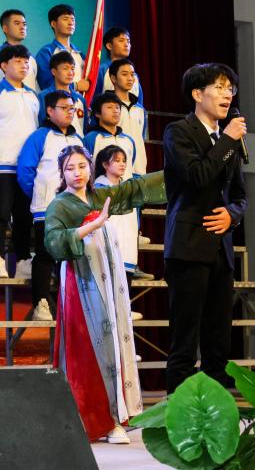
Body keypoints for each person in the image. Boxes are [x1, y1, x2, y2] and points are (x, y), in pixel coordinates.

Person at [44, 145, 166, 444]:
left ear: (90, 168)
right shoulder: (60, 205)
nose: (77, 173)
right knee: (87, 347)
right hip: (81, 284)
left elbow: (134, 190)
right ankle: (92, 418)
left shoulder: (100, 197)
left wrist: (178, 172)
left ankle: (114, 417)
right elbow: (53, 242)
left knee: (113, 344)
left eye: (82, 166)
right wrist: (91, 227)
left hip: (109, 280)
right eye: (70, 168)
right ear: (62, 173)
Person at [162, 63, 247, 394]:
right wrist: (227, 140)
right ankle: (178, 411)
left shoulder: (229, 139)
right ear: (198, 94)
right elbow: (197, 176)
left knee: (218, 340)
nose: (227, 95)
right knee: (185, 339)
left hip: (221, 250)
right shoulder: (178, 132)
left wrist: (232, 215)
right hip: (188, 247)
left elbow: (239, 196)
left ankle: (216, 410)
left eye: (230, 89)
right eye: (220, 87)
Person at [17, 90, 84, 320]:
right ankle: (41, 303)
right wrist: (40, 193)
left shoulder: (78, 140)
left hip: (73, 209)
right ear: (49, 110)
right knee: (45, 254)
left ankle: (70, 306)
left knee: (71, 256)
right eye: (64, 108)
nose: (70, 112)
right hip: (46, 206)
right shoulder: (40, 136)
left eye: (72, 108)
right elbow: (26, 171)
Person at [0, 45, 39, 279]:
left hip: (27, 168)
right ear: (3, 66)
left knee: (24, 216)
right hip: (1, 164)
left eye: (26, 61)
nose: (24, 66)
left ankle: (22, 260)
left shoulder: (33, 96)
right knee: (0, 214)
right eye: (18, 61)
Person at [93, 146, 151, 291]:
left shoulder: (130, 188)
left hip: (128, 249)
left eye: (124, 160)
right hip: (107, 249)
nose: (122, 164)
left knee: (125, 295)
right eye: (117, 160)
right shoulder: (99, 188)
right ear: (105, 164)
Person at [34, 4, 88, 93]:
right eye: (65, 19)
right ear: (53, 24)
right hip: (57, 101)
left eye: (73, 19)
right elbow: (46, 84)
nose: (70, 23)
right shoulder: (46, 52)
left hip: (79, 101)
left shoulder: (80, 54)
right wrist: (75, 86)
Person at [109, 58, 147, 176]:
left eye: (132, 74)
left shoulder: (140, 109)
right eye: (125, 74)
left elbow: (141, 136)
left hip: (139, 168)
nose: (130, 78)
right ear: (113, 78)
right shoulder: (108, 107)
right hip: (117, 168)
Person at [0, 9, 38, 92]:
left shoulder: (32, 58)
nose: (22, 27)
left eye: (24, 24)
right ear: (5, 28)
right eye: (17, 23)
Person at [38, 51, 88, 136]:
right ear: (54, 72)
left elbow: (84, 128)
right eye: (65, 68)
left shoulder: (80, 99)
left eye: (72, 69)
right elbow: (41, 124)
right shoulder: (43, 96)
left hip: (78, 143)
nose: (70, 73)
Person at [84, 92, 137, 171]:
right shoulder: (90, 139)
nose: (115, 111)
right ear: (97, 113)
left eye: (117, 107)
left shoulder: (129, 140)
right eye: (110, 107)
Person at [94, 26, 142, 100]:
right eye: (121, 40)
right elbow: (95, 99)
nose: (126, 44)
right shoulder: (102, 70)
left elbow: (139, 101)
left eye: (128, 41)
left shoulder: (133, 74)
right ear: (109, 46)